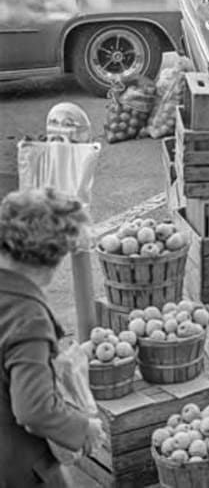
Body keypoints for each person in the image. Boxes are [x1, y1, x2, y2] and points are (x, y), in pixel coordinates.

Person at [0, 188, 105, 487]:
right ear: (56, 254)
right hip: (15, 466)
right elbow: (33, 408)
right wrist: (82, 428)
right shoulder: (27, 316)